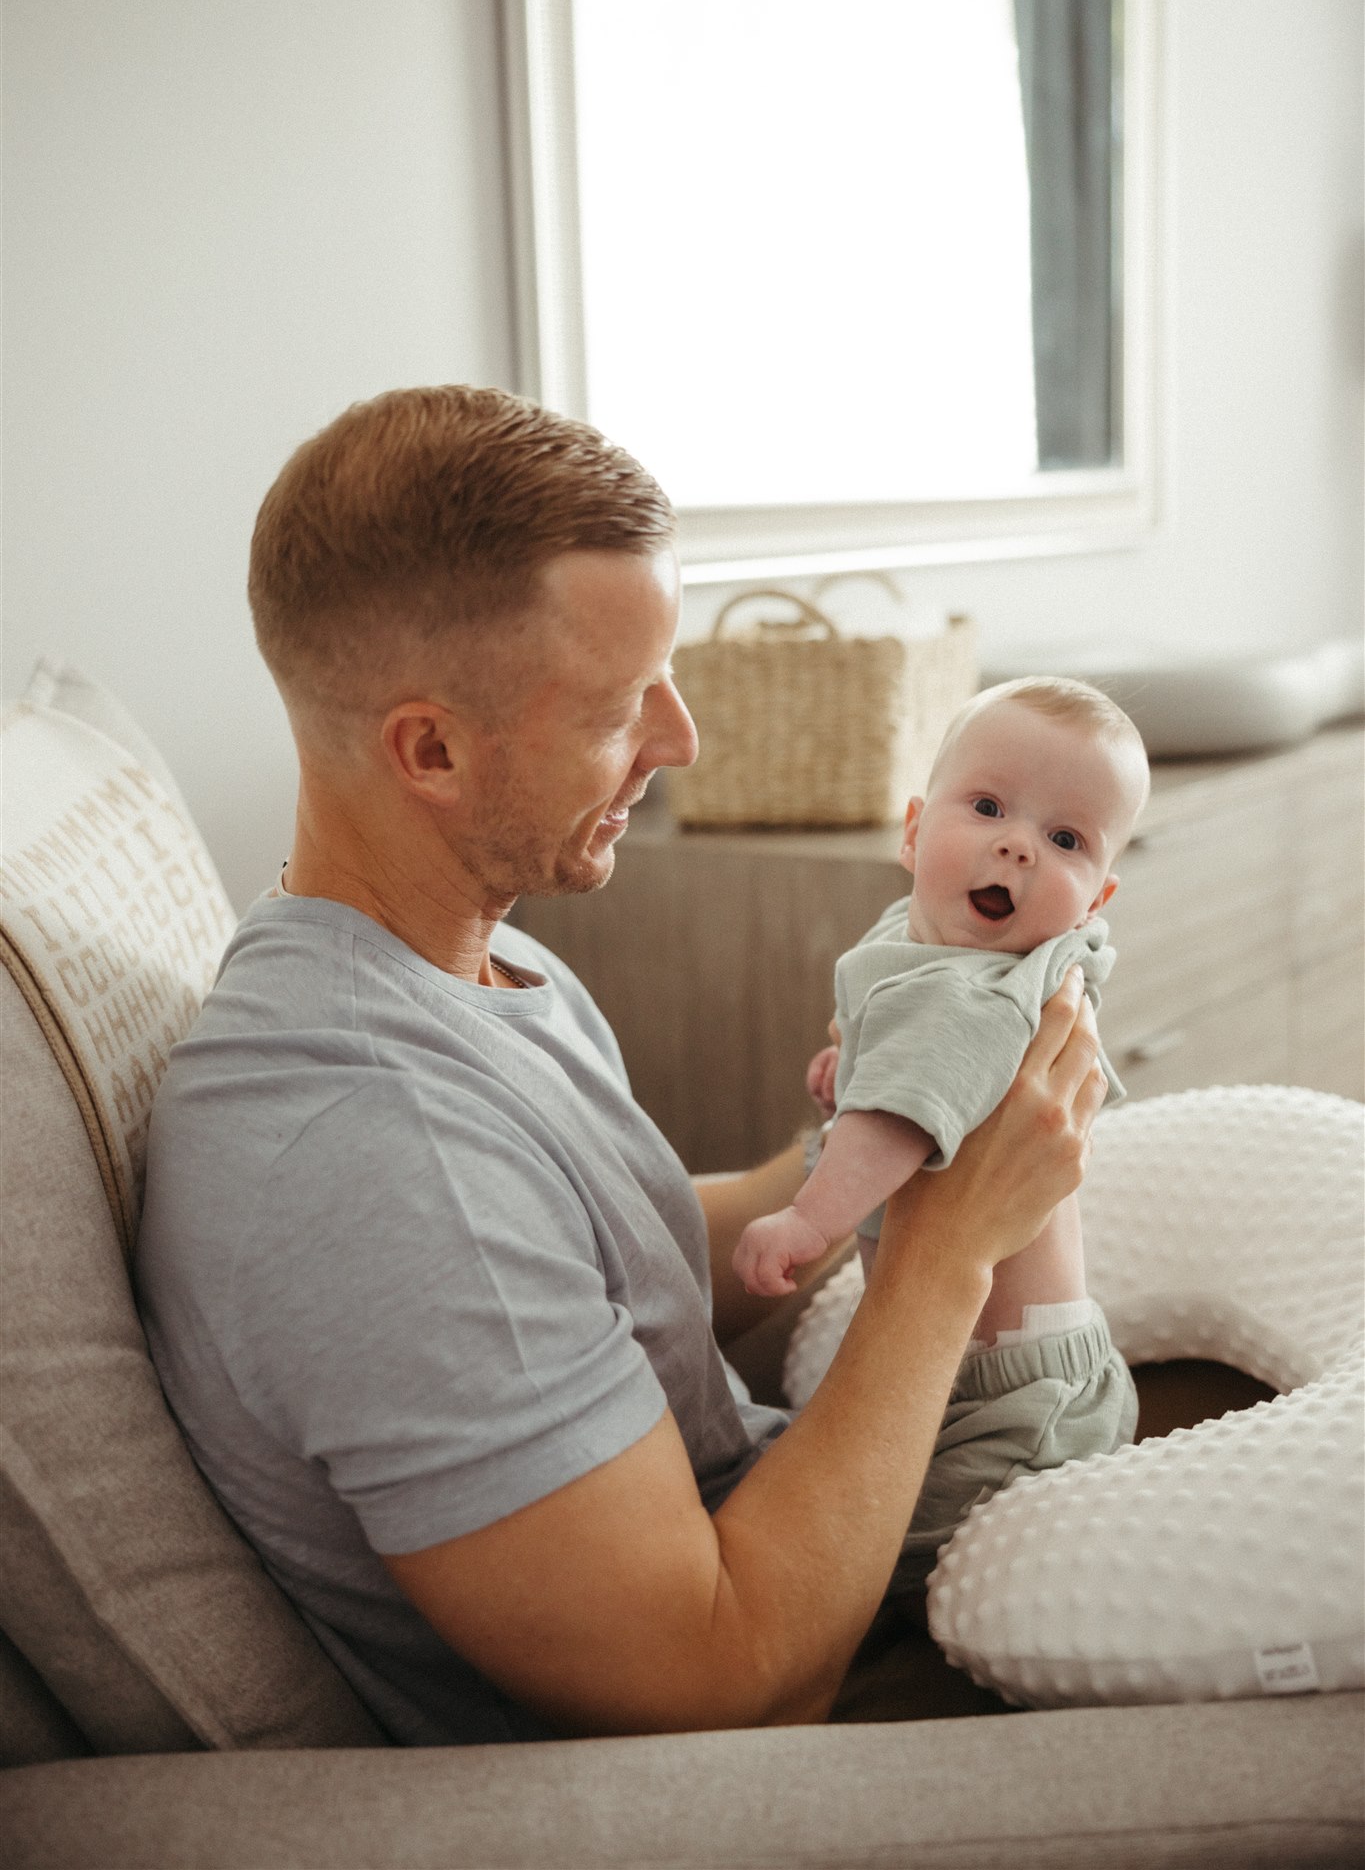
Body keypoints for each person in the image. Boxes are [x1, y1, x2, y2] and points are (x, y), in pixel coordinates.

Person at [136, 384, 1114, 1747]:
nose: (679, 738)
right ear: (430, 748)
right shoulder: (371, 1153)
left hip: (800, 1522)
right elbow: (726, 1683)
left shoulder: (461, 963)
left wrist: (858, 1159)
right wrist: (947, 1248)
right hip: (775, 1707)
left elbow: (614, 1270)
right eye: (617, 706)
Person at [734, 678, 1149, 1306]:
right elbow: (904, 1057)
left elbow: (898, 1121)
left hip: (1010, 1376)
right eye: (988, 807)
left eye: (1065, 840)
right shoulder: (909, 931)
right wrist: (857, 1068)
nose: (1017, 846)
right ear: (913, 831)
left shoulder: (978, 994)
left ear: (1093, 903)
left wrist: (809, 1222)